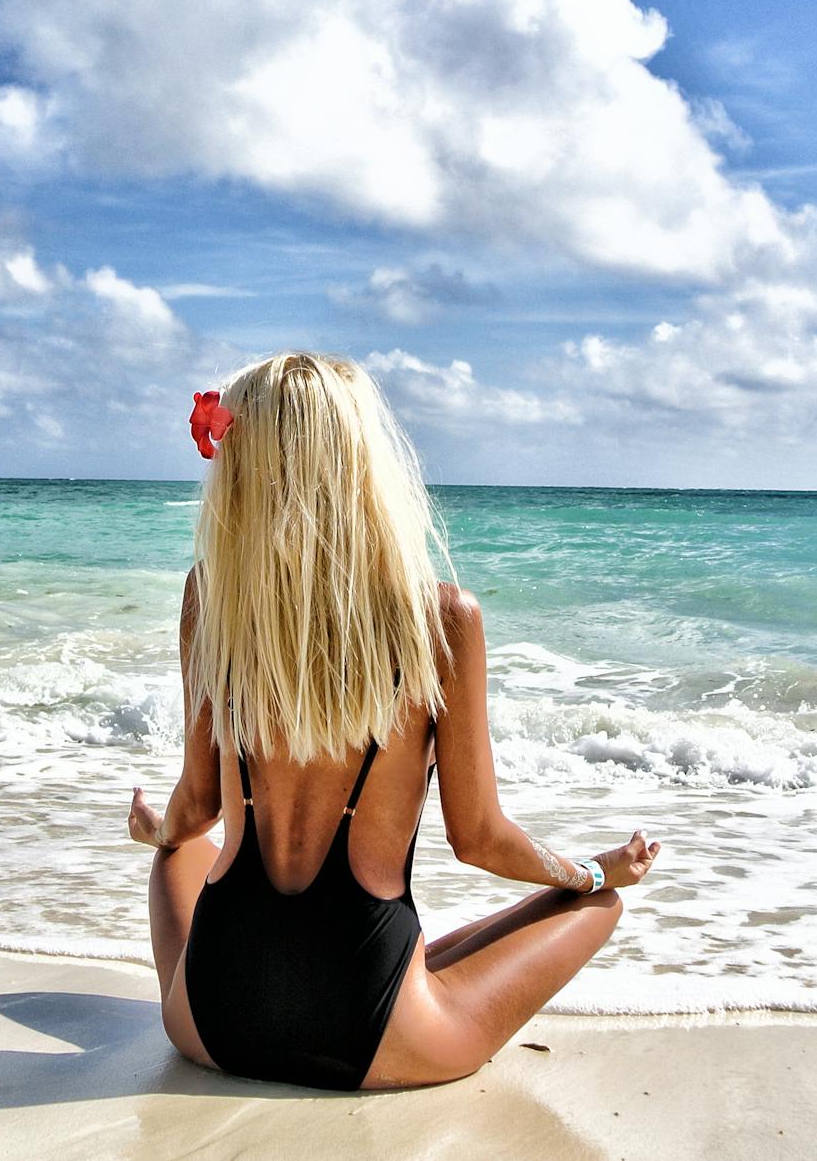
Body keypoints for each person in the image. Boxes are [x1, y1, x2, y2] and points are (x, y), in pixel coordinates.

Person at [127, 352, 659, 1090]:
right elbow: (478, 839)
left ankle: (392, 967)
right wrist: (591, 869)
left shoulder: (209, 598)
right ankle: (458, 947)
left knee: (176, 855)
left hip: (208, 1028)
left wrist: (154, 829)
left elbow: (196, 807)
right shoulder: (439, 620)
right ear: (362, 462)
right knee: (594, 903)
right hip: (373, 1042)